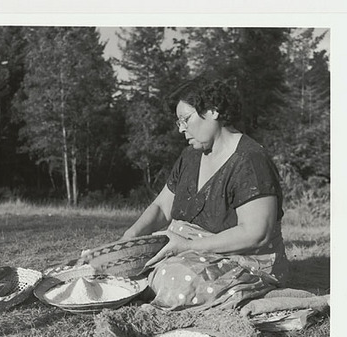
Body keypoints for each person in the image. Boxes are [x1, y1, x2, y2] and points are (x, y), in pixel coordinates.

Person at [121, 78, 289, 311]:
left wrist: (188, 246)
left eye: (185, 119)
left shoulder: (250, 160)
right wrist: (130, 238)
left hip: (242, 259)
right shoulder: (190, 156)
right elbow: (161, 208)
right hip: (186, 250)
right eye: (178, 122)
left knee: (178, 281)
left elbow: (256, 233)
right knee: (134, 266)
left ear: (213, 111)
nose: (181, 128)